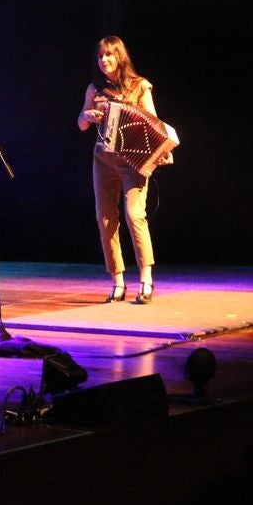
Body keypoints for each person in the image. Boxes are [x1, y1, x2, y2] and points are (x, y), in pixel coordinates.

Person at [76, 36, 171, 305]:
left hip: (133, 159)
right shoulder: (95, 89)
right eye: (100, 56)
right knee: (105, 218)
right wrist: (87, 116)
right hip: (103, 158)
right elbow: (82, 124)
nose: (104, 60)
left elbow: (155, 124)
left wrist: (163, 151)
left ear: (119, 56)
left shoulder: (140, 86)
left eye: (108, 55)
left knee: (134, 214)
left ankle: (146, 279)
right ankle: (118, 281)